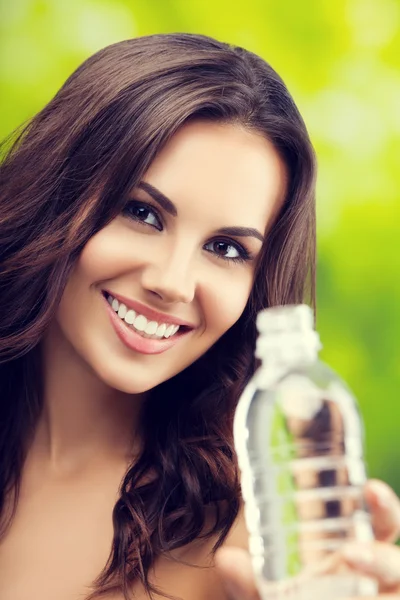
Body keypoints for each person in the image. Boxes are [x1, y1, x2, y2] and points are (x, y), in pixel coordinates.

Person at [0, 32, 399, 600]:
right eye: (142, 213)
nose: (171, 282)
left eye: (227, 249)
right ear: (57, 197)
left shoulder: (255, 537)